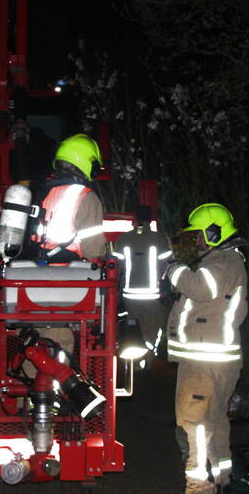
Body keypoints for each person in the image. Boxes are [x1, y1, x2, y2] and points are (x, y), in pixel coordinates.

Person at [165, 203, 248, 494]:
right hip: (217, 362)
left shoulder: (221, 263)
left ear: (214, 233)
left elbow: (200, 287)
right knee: (215, 422)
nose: (196, 241)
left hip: (204, 363)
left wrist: (174, 270)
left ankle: (200, 491)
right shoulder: (227, 261)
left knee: (195, 425)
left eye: (199, 235)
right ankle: (223, 483)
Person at [33, 133, 108, 262]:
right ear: (87, 163)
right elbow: (93, 251)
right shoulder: (86, 196)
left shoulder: (40, 189)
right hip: (69, 273)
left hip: (31, 266)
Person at [112, 204, 171, 358]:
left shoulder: (123, 239)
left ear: (134, 218)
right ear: (150, 219)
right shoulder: (160, 238)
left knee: (133, 330)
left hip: (130, 296)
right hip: (152, 296)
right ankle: (148, 358)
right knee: (152, 328)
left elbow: (116, 268)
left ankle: (134, 364)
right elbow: (168, 266)